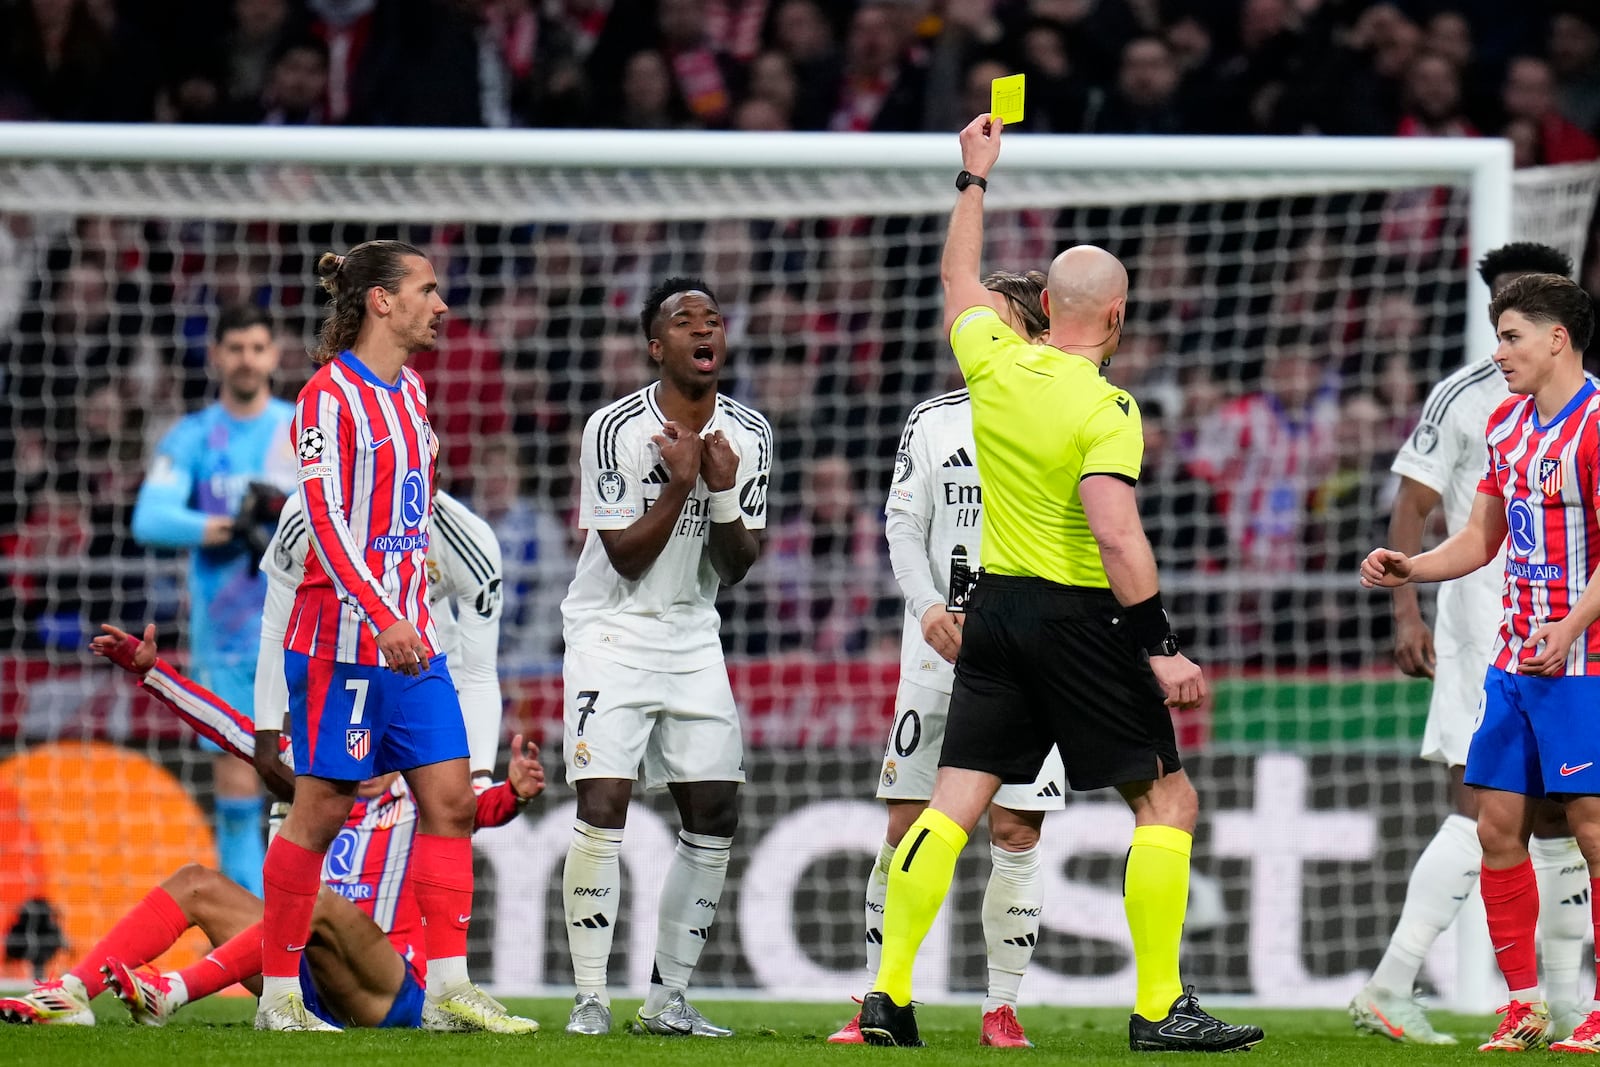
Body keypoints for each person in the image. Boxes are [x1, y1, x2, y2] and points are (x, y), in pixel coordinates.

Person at [855, 113, 1263, 1053]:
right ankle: (1161, 1007)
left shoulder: (994, 366)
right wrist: (1159, 644)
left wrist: (975, 177)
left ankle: (888, 995)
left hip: (992, 611)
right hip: (1079, 618)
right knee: (1168, 802)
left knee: (953, 802)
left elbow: (960, 279)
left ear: (1039, 305)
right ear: (1114, 317)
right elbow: (1116, 534)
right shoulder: (1108, 406)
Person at [0, 621, 543, 1029]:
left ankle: (173, 989)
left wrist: (514, 794)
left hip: (387, 985)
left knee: (320, 903)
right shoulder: (317, 779)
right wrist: (153, 674)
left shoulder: (421, 786)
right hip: (292, 972)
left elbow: (475, 809)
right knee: (196, 882)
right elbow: (232, 730)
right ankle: (70, 991)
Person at [258, 240, 527, 1033]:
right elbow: (327, 526)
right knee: (318, 814)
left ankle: (448, 988)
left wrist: (410, 614)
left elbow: (405, 517)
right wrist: (382, 614)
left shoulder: (410, 392)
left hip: (415, 644)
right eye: (428, 290)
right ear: (382, 300)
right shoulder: (326, 399)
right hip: (345, 643)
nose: (441, 306)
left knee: (449, 800)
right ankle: (278, 996)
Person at [1350, 242, 1588, 1045]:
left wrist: (1576, 624)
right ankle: (1513, 999)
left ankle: (1580, 1004)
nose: (1500, 348)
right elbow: (1458, 526)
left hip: (1578, 650)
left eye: (1515, 331)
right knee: (1492, 817)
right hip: (1498, 644)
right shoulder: (1490, 412)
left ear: (1555, 332)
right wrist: (1408, 584)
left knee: (1578, 823)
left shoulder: (1590, 417)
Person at [829, 269, 1065, 1049]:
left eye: (986, 316)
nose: (968, 327)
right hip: (938, 652)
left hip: (1033, 654)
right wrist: (928, 608)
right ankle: (880, 998)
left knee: (1017, 828)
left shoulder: (1069, 408)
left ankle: (1002, 1006)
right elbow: (902, 525)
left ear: (1029, 326)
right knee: (905, 825)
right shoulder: (933, 419)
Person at [559, 277, 769, 1037]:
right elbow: (624, 558)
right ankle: (589, 996)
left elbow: (739, 563)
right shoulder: (614, 428)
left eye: (712, 318)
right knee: (603, 802)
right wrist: (682, 484)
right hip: (611, 630)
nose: (703, 329)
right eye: (684, 321)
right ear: (657, 346)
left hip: (692, 632)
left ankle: (667, 997)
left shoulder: (751, 433)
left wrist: (719, 492)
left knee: (715, 808)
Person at [131, 304, 296, 898]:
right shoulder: (194, 436)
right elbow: (149, 518)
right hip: (226, 642)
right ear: (218, 356)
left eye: (258, 347)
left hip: (302, 633)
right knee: (236, 789)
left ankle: (318, 936)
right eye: (237, 348)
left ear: (274, 355)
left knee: (316, 793)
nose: (248, 359)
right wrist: (229, 528)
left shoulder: (300, 427)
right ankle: (252, 942)